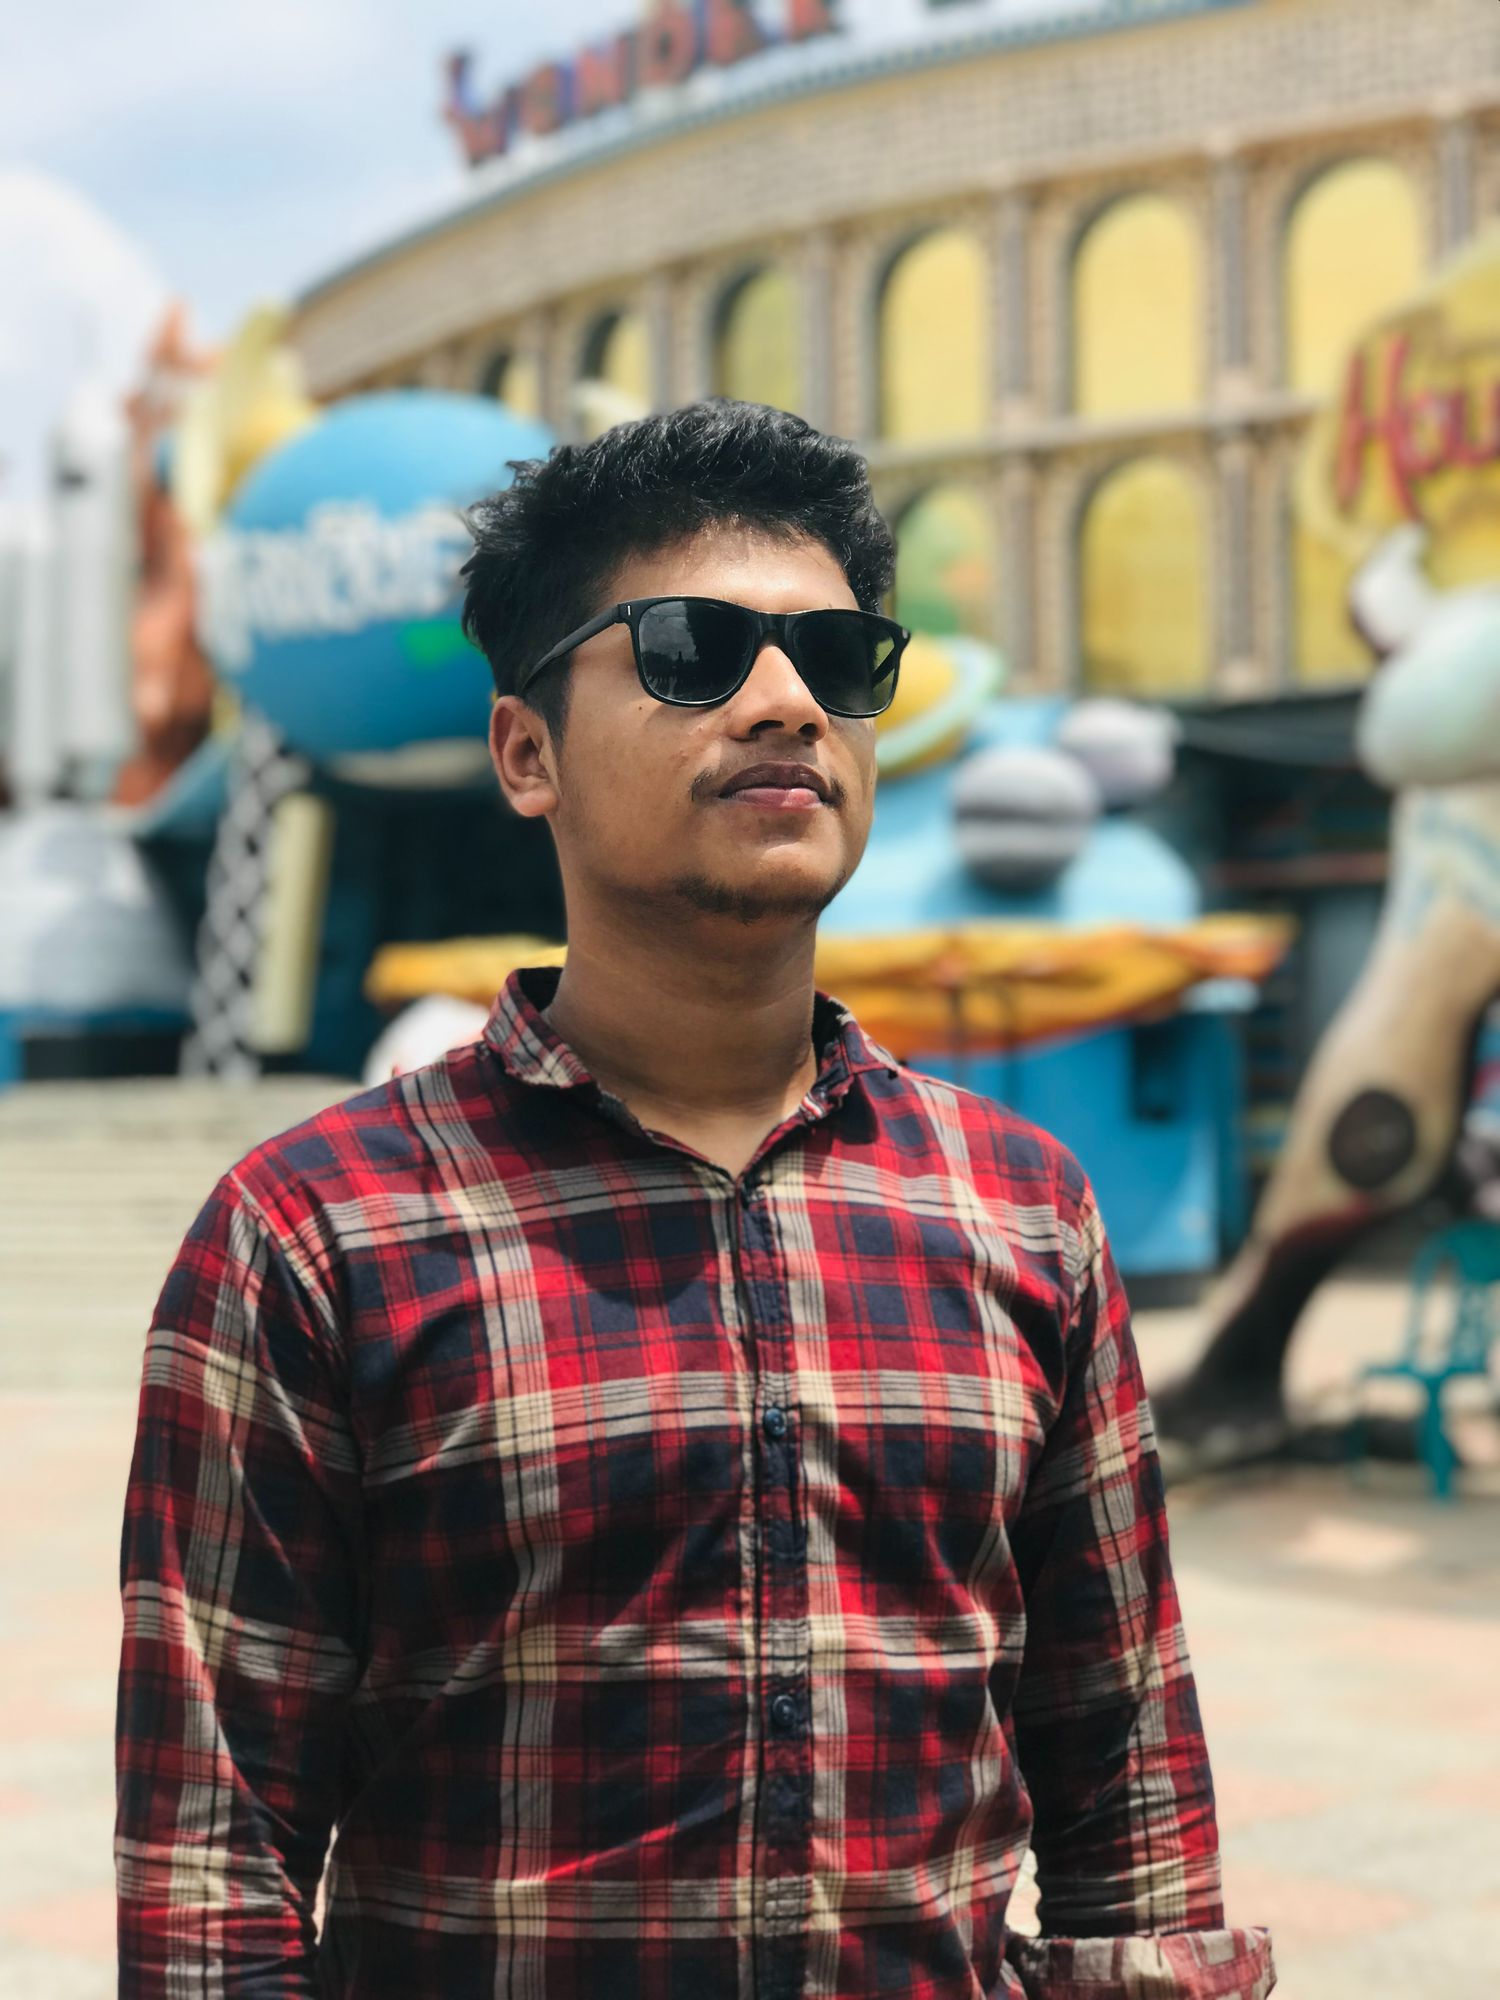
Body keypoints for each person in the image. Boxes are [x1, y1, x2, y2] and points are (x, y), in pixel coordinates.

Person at [116, 400, 1274, 1998]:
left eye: (839, 660)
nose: (787, 701)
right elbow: (213, 1865)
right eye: (692, 650)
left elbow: (1123, 1764)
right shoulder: (318, 1234)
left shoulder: (1020, 1212)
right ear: (526, 753)